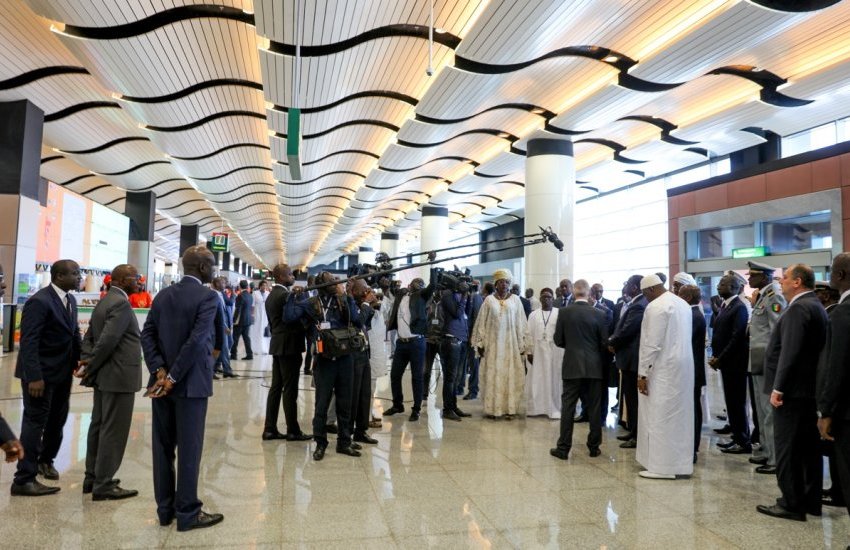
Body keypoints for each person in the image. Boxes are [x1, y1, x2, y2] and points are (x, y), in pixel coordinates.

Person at [141, 246, 224, 531]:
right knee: (190, 449)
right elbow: (198, 340)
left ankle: (165, 510)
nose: (214, 270)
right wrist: (174, 376)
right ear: (202, 268)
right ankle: (188, 513)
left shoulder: (163, 295)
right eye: (212, 265)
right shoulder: (208, 296)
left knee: (162, 448)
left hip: (161, 386)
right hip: (190, 386)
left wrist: (159, 370)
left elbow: (147, 334)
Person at [756, 263, 827, 522]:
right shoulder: (814, 305)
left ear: (797, 282)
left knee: (788, 448)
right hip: (806, 391)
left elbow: (790, 351)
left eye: (785, 277)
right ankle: (809, 500)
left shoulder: (798, 308)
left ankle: (791, 503)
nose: (781, 281)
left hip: (792, 392)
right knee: (808, 448)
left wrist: (779, 387)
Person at [12, 259, 82, 496]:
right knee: (35, 422)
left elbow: (73, 333)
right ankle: (24, 478)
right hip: (40, 376)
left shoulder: (70, 300)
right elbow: (29, 341)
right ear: (59, 276)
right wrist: (34, 376)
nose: (80, 277)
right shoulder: (39, 301)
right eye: (75, 273)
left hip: (62, 373)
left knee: (57, 420)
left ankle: (45, 460)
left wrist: (80, 360)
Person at [79, 264, 142, 500]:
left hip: (105, 377)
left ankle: (92, 477)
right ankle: (104, 483)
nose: (139, 281)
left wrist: (88, 362)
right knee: (113, 430)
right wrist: (90, 366)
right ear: (123, 280)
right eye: (135, 278)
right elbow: (108, 340)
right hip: (119, 377)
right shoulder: (121, 304)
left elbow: (89, 338)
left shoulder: (105, 301)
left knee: (99, 425)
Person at [285, 272, 362, 460]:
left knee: (345, 403)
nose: (336, 282)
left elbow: (356, 321)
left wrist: (348, 296)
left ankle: (344, 442)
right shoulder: (311, 303)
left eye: (336, 280)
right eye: (332, 280)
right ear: (322, 284)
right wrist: (293, 296)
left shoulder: (342, 301)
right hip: (324, 360)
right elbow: (288, 317)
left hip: (345, 358)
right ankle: (320, 443)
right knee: (321, 405)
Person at [634, 274, 694, 479]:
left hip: (662, 370)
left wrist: (643, 374)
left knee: (659, 416)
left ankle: (661, 467)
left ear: (651, 289)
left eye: (645, 294)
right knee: (679, 418)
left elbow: (652, 343)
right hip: (683, 370)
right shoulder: (683, 304)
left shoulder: (656, 307)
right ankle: (680, 464)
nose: (646, 298)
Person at [550, 281, 608, 459]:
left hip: (572, 365)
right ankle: (594, 447)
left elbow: (558, 340)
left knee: (568, 407)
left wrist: (572, 347)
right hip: (594, 366)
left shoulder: (564, 312)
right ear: (589, 293)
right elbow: (604, 342)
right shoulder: (600, 313)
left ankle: (563, 448)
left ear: (574, 292)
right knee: (594, 407)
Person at [471, 268, 529, 419]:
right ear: (496, 284)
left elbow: (521, 323)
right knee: (493, 375)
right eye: (501, 282)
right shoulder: (489, 300)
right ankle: (493, 409)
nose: (504, 284)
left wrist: (523, 344)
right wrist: (480, 343)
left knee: (510, 376)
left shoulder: (515, 300)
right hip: (493, 346)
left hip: (511, 346)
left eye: (507, 282)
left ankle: (510, 409)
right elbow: (481, 322)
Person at [262, 264, 311, 442]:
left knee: (276, 387)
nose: (293, 277)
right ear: (282, 277)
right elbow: (293, 318)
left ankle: (270, 429)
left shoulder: (271, 295)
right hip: (290, 346)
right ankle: (293, 430)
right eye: (290, 274)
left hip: (278, 344)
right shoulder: (285, 296)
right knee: (290, 389)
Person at [817, 253, 850, 517]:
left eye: (831, 271)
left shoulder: (843, 313)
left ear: (840, 275)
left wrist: (825, 411)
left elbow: (836, 366)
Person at [746, 261, 785, 474]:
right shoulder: (763, 296)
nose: (749, 279)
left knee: (769, 412)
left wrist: (773, 363)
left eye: (753, 276)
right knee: (761, 410)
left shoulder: (773, 296)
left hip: (767, 362)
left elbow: (777, 331)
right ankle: (766, 450)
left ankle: (775, 459)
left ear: (765, 277)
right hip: (758, 360)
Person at [709, 273, 752, 454]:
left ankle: (743, 441)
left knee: (737, 403)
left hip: (735, 363)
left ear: (734, 288)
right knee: (731, 403)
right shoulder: (725, 306)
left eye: (723, 283)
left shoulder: (739, 307)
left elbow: (737, 337)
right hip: (726, 363)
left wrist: (721, 358)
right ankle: (736, 437)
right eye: (719, 283)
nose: (718, 286)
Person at [384, 276, 435, 422]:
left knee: (417, 377)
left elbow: (432, 286)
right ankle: (397, 405)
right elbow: (390, 289)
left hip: (416, 343)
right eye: (416, 282)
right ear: (409, 285)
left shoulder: (422, 297)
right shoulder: (401, 295)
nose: (419, 285)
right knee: (395, 375)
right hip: (401, 343)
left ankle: (416, 409)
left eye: (421, 284)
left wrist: (433, 271)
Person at [609, 274, 647, 448]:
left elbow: (627, 330)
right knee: (629, 399)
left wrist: (612, 343)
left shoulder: (639, 305)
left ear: (634, 287)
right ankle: (633, 430)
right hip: (629, 359)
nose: (624, 287)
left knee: (633, 400)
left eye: (627, 284)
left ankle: (637, 435)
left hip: (632, 359)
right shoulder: (637, 302)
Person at [348, 279, 379, 445]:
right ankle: (348, 433)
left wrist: (370, 305)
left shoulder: (361, 304)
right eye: (364, 289)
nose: (367, 292)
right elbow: (358, 322)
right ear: (354, 291)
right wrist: (366, 304)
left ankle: (361, 431)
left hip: (364, 352)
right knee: (353, 395)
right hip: (353, 355)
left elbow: (366, 324)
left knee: (365, 394)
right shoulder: (349, 303)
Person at [678, 285, 707, 462]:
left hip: (693, 371)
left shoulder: (692, 315)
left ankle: (692, 448)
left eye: (679, 294)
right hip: (692, 370)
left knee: (693, 410)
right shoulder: (693, 313)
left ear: (687, 298)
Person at [525, 288, 563, 419]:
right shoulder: (533, 315)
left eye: (549, 297)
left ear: (553, 299)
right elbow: (528, 334)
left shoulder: (559, 313)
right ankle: (536, 408)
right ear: (540, 299)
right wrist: (529, 352)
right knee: (537, 379)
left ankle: (553, 408)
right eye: (544, 297)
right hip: (537, 353)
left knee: (553, 379)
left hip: (554, 352)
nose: (546, 299)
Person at [438, 279, 472, 421]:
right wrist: (464, 295)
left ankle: (453, 407)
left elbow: (466, 313)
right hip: (451, 339)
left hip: (461, 339)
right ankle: (447, 409)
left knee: (457, 377)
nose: (463, 285)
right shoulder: (447, 295)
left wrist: (467, 296)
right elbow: (457, 313)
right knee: (450, 378)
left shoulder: (459, 295)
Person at [211, 277, 235, 379]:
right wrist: (224, 326)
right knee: (222, 347)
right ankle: (216, 370)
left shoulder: (221, 294)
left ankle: (224, 369)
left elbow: (226, 308)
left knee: (226, 346)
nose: (225, 284)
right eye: (223, 283)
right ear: (217, 284)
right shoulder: (213, 295)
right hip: (218, 326)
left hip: (223, 324)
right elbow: (217, 314)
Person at [230, 280, 254, 361]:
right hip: (248, 320)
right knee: (246, 338)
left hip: (240, 321)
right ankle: (249, 354)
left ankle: (233, 355)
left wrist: (234, 320)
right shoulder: (250, 296)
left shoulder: (240, 296)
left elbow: (238, 310)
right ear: (247, 286)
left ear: (240, 286)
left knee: (235, 338)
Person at [251, 280, 270, 355]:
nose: (264, 287)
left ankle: (264, 349)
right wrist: (252, 315)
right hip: (257, 314)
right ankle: (255, 349)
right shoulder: (255, 293)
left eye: (265, 285)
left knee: (264, 332)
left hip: (265, 315)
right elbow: (252, 305)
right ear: (260, 286)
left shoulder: (268, 293)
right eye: (263, 285)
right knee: (256, 331)